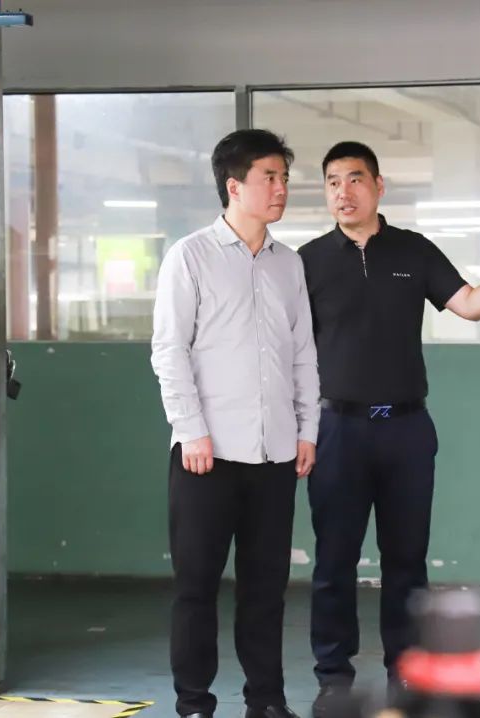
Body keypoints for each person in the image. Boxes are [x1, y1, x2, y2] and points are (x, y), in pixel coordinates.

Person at [297, 141, 480, 715]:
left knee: (407, 562)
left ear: (378, 186)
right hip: (338, 428)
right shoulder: (307, 261)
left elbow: (468, 305)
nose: (343, 192)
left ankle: (406, 673)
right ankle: (333, 675)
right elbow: (289, 348)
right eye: (333, 182)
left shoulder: (413, 250)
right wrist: (299, 428)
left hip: (407, 430)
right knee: (334, 561)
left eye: (355, 179)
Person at [151, 128, 319, 718]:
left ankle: (266, 701)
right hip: (208, 454)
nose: (281, 189)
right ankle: (194, 702)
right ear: (234, 186)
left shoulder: (288, 264)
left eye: (284, 178)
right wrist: (190, 429)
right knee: (196, 587)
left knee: (266, 589)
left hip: (275, 454)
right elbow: (169, 349)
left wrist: (307, 429)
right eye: (269, 177)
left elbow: (303, 353)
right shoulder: (190, 256)